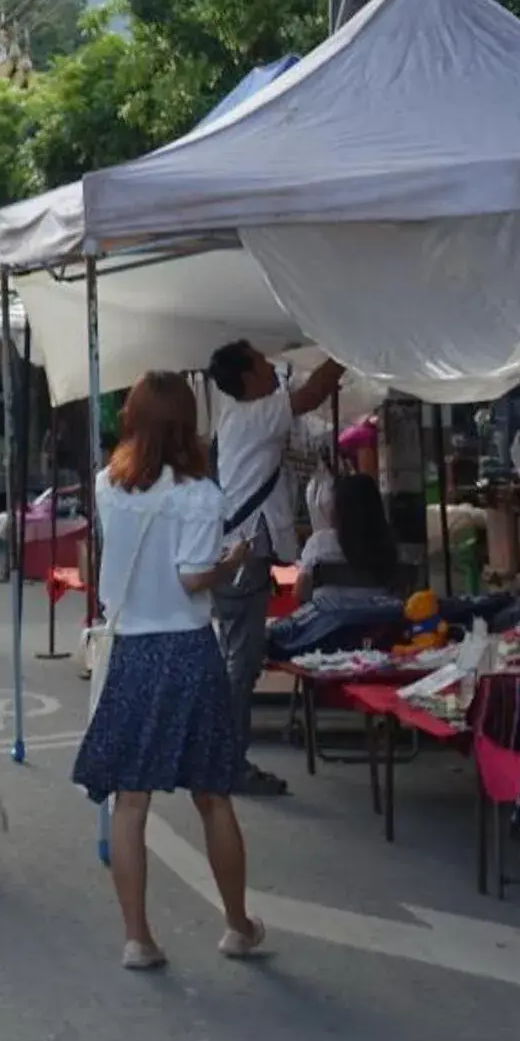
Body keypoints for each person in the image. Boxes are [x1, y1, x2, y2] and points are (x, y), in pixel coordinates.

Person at [71, 371, 265, 970]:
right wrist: (231, 561)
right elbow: (190, 576)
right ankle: (236, 925)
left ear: (132, 419)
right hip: (186, 649)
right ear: (188, 423)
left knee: (132, 801)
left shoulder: (108, 484)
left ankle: (138, 938)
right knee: (214, 795)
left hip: (132, 649)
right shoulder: (199, 494)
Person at [205, 340, 345, 796]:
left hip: (237, 552)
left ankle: (224, 755)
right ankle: (229, 762)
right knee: (241, 662)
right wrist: (350, 344)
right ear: (247, 377)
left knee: (237, 656)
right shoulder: (256, 413)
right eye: (264, 363)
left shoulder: (238, 414)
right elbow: (314, 392)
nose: (272, 368)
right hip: (244, 555)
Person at [298, 472, 404, 598]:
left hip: (331, 615)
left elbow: (300, 591)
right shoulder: (387, 545)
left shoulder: (320, 543)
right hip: (376, 615)